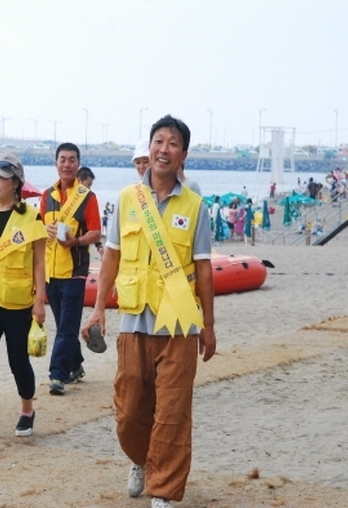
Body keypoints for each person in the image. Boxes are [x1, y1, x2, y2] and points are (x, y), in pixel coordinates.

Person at [82, 115, 216, 508]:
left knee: (173, 410)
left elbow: (205, 268)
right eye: (159, 141)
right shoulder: (127, 200)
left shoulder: (195, 206)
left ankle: (164, 491)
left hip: (179, 326)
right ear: (150, 149)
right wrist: (97, 311)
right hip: (135, 320)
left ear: (183, 155)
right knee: (128, 411)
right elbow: (111, 256)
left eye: (173, 143)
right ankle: (142, 459)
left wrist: (208, 325)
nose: (164, 149)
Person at [0, 153, 47, 442]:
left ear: (15, 183)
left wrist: (39, 301)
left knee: (18, 360)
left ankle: (27, 410)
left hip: (18, 301)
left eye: (0, 177)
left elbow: (40, 263)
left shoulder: (31, 217)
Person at [40, 142, 101, 395]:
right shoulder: (47, 196)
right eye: (62, 159)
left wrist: (74, 241)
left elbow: (96, 231)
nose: (67, 164)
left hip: (75, 271)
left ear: (78, 164)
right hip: (51, 272)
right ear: (56, 163)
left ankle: (57, 375)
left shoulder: (87, 197)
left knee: (66, 326)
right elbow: (39, 229)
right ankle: (75, 366)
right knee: (63, 322)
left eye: (72, 160)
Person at [77, 166, 105, 256]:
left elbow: (91, 227)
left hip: (82, 251)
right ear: (79, 181)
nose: (89, 189)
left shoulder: (87, 200)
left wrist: (99, 246)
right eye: (88, 185)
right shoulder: (67, 199)